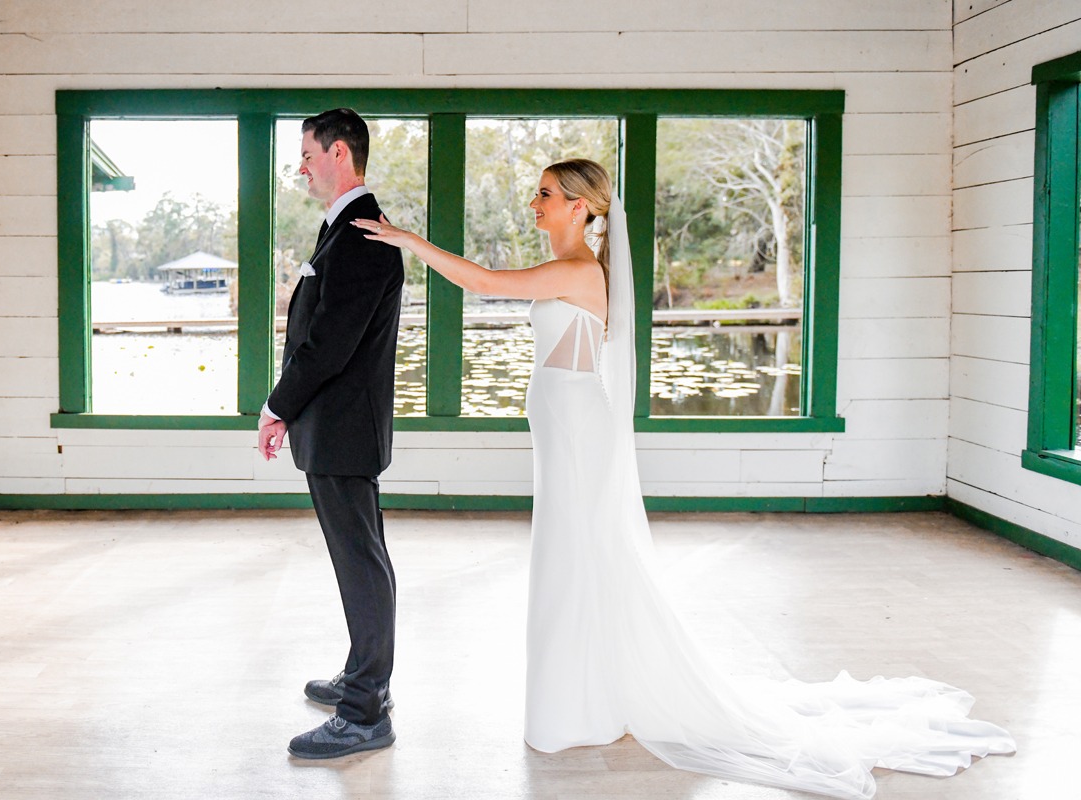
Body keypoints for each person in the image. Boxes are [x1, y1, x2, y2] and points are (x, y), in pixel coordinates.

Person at [354, 158, 1015, 798]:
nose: (536, 203)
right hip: (564, 425)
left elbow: (488, 285)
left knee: (578, 555)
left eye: (547, 194)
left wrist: (410, 239)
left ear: (580, 207)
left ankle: (582, 705)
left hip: (577, 428)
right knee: (572, 558)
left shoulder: (580, 269)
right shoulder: (574, 267)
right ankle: (584, 697)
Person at [258, 108, 404, 759]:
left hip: (343, 432)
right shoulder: (342, 232)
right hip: (337, 431)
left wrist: (277, 404)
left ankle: (366, 710)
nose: (302, 167)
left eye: (308, 155)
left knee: (362, 564)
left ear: (340, 154)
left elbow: (328, 346)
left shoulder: (363, 237)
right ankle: (365, 674)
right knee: (360, 560)